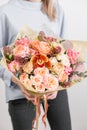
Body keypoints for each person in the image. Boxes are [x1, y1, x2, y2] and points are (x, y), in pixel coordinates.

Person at [0, 0, 72, 130]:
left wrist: (58, 83)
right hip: (20, 93)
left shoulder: (56, 9)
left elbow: (66, 52)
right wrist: (16, 80)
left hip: (55, 91)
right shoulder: (5, 12)